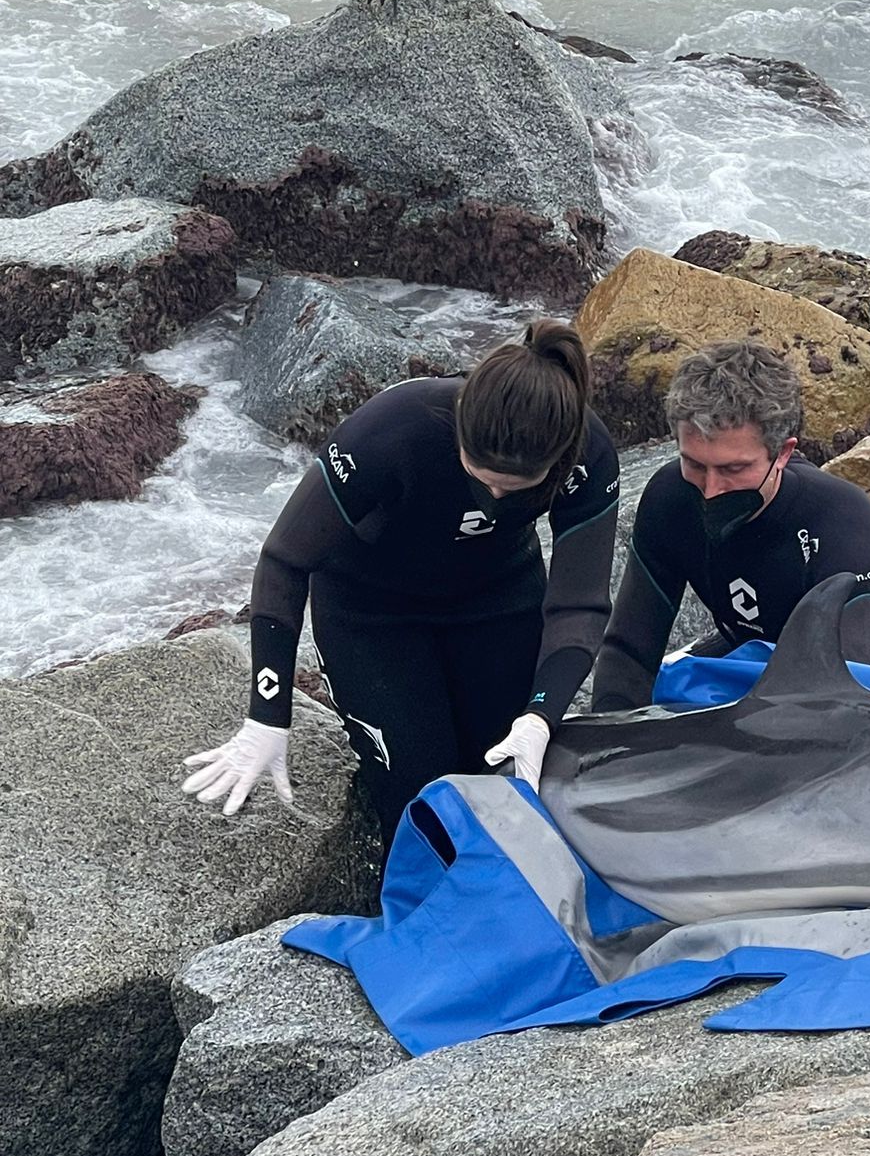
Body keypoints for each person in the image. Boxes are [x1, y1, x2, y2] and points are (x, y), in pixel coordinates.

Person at [181, 320, 620, 841]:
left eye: (516, 488)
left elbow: (579, 605)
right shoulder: (393, 428)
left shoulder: (587, 451)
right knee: (422, 798)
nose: (496, 500)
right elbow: (284, 561)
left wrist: (541, 716)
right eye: (481, 479)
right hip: (370, 613)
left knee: (506, 780)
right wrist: (266, 717)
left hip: (499, 599)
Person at [588, 339, 870, 710]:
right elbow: (629, 653)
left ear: (783, 453)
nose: (711, 490)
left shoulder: (845, 525)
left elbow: (853, 704)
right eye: (696, 465)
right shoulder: (670, 498)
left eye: (733, 469)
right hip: (750, 666)